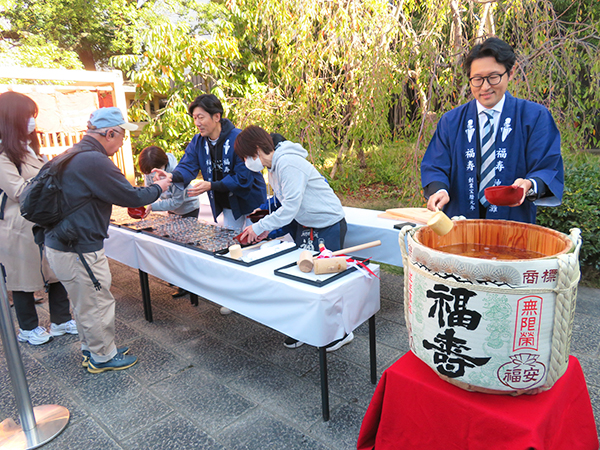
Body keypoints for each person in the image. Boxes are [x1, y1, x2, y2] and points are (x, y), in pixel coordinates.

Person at [44, 107, 171, 373]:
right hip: (77, 248)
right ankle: (103, 357)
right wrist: (160, 187)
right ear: (109, 133)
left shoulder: (73, 154)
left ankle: (93, 349)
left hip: (63, 244)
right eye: (122, 134)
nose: (124, 140)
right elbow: (132, 197)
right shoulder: (93, 160)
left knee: (84, 302)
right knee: (97, 302)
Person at [234, 125, 353, 352]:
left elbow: (289, 208)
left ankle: (342, 331)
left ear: (258, 150)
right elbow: (285, 205)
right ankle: (304, 328)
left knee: (327, 279)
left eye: (247, 156)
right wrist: (268, 229)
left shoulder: (288, 163)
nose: (247, 162)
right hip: (306, 224)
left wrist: (259, 227)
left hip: (328, 223)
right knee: (301, 275)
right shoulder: (273, 168)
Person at [421, 37, 564, 224]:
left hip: (513, 228)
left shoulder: (534, 117)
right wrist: (440, 190)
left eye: (493, 77)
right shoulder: (451, 121)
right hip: (459, 228)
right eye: (477, 79)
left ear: (510, 73)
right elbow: (435, 165)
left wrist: (529, 184)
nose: (485, 87)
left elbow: (547, 166)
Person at [153, 94, 267, 315]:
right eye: (194, 118)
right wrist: (171, 177)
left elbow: (242, 178)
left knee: (254, 244)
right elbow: (187, 166)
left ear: (217, 116)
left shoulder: (237, 139)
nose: (197, 122)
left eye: (201, 117)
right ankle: (236, 296)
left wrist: (210, 186)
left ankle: (255, 295)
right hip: (224, 201)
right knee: (234, 245)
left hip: (249, 201)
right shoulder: (198, 141)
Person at [0, 91, 77, 345]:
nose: (32, 122)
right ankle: (28, 328)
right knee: (22, 278)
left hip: (44, 221)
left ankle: (61, 320)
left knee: (54, 270)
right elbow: (19, 191)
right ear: (11, 119)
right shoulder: (3, 154)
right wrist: (49, 175)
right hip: (17, 226)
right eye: (28, 116)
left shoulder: (30, 150)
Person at [138, 145, 200, 298]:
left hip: (189, 208)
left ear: (162, 166)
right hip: (172, 209)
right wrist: (145, 201)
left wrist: (153, 206)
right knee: (173, 244)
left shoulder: (178, 173)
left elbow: (176, 202)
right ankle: (180, 278)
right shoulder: (151, 169)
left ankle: (189, 284)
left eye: (152, 173)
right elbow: (150, 190)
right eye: (148, 174)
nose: (151, 177)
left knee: (185, 246)